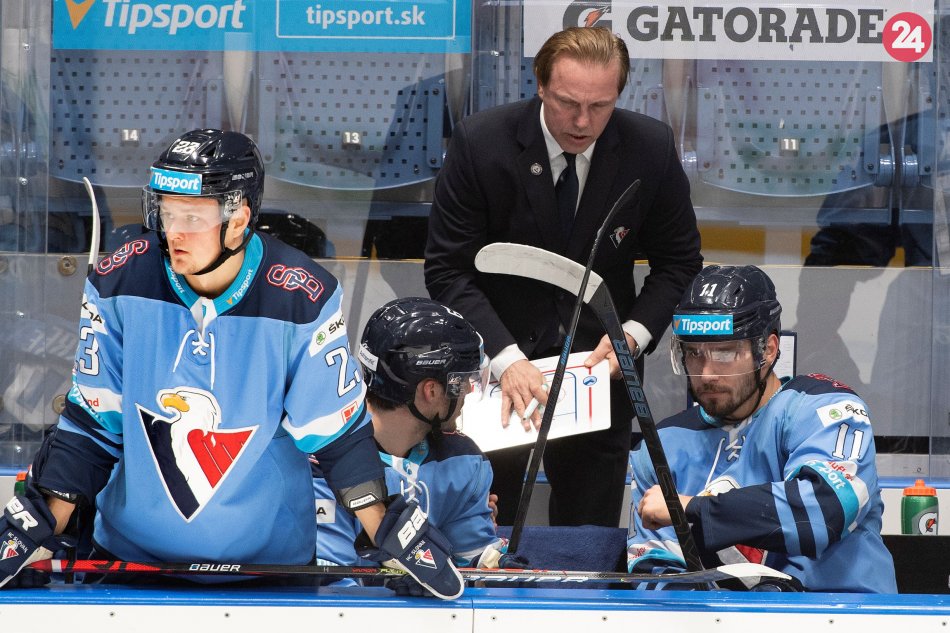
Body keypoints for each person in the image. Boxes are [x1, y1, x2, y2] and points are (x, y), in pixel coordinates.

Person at [0, 129, 463, 600]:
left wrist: (390, 532)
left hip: (270, 570)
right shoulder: (118, 280)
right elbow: (93, 424)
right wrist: (39, 525)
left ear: (238, 218)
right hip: (132, 562)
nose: (173, 232)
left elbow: (336, 435)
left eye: (191, 217)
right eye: (166, 212)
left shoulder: (301, 297)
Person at [424, 26, 702, 527]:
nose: (582, 121)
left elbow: (679, 262)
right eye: (568, 103)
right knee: (485, 532)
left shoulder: (650, 147)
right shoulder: (481, 143)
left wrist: (631, 337)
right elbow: (448, 269)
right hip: (497, 374)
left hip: (599, 374)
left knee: (590, 539)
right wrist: (505, 358)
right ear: (540, 85)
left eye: (600, 106)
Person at [628, 264, 897, 592]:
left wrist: (692, 509)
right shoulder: (662, 446)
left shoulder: (826, 409)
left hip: (844, 612)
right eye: (694, 353)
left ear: (767, 350)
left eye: (724, 353)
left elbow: (825, 509)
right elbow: (656, 571)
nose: (707, 373)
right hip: (724, 618)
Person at [312, 297, 522, 593]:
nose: (467, 390)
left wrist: (494, 570)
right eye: (462, 380)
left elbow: (471, 561)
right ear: (431, 390)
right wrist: (395, 598)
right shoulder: (322, 460)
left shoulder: (465, 461)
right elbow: (328, 585)